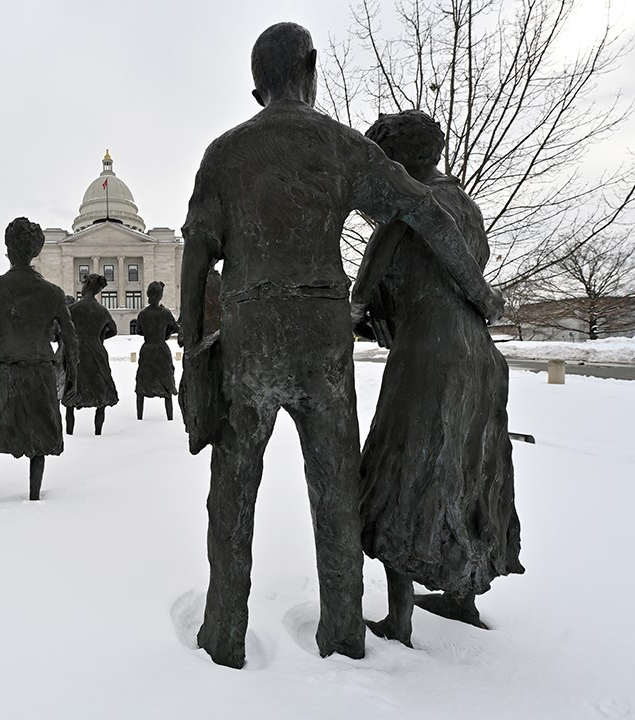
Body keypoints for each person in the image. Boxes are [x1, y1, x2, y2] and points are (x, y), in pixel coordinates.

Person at [180, 22, 504, 669]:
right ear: (310, 68)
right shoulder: (342, 144)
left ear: (257, 86)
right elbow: (424, 212)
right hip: (321, 340)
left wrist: (193, 345)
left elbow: (197, 252)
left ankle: (223, 634)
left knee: (234, 489)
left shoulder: (225, 153)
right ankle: (343, 633)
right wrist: (480, 293)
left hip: (250, 337)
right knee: (335, 493)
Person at [353, 110, 523, 647]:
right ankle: (461, 598)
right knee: (469, 472)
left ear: (397, 158)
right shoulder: (466, 204)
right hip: (477, 356)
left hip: (427, 357)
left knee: (403, 472)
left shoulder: (408, 207)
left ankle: (398, 619)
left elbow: (364, 292)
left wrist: (356, 311)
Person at [0, 218, 77, 503]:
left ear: (7, 250)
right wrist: (73, 376)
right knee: (38, 439)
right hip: (39, 371)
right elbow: (71, 339)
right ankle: (33, 496)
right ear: (37, 251)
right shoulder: (53, 292)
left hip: (4, 368)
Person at [62, 273, 118, 436]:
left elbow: (63, 329)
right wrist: (99, 338)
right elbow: (113, 330)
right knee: (100, 392)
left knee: (72, 391)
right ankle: (98, 432)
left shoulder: (73, 309)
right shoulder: (102, 311)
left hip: (78, 351)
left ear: (86, 286)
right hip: (97, 351)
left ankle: (70, 432)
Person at [134, 281, 181, 420]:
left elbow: (139, 331)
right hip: (161, 350)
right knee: (166, 382)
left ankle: (140, 416)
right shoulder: (165, 313)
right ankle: (169, 416)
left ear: (148, 294)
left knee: (142, 383)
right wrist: (165, 333)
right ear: (160, 296)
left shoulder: (143, 314)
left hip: (147, 349)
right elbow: (176, 328)